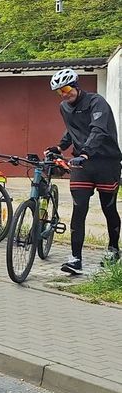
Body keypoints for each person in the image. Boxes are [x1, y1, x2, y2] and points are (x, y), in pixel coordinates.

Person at [47, 68, 121, 274]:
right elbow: (72, 130)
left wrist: (86, 152)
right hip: (82, 165)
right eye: (59, 92)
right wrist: (60, 147)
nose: (64, 94)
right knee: (79, 210)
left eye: (67, 89)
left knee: (108, 208)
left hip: (106, 162)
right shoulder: (64, 107)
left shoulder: (97, 102)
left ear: (76, 86)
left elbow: (99, 130)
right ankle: (75, 259)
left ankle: (113, 249)